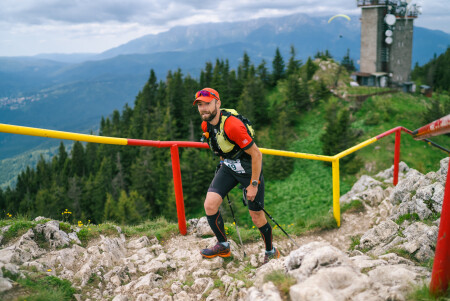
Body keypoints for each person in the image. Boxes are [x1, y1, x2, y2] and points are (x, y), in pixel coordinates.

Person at [193, 87, 280, 264]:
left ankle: (271, 250)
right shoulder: (206, 124)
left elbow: (256, 154)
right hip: (229, 167)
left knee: (256, 216)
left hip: (249, 169)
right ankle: (223, 245)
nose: (203, 108)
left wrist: (253, 184)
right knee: (210, 205)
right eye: (200, 105)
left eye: (207, 104)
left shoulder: (233, 125)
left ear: (218, 103)